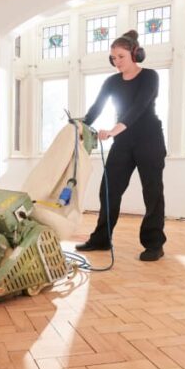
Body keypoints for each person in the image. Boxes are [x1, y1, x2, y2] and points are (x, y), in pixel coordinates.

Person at [76, 30, 167, 261]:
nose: (116, 62)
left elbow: (138, 108)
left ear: (135, 54)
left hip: (149, 140)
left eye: (121, 56)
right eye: (113, 58)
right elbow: (95, 110)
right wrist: (80, 125)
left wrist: (114, 129)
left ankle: (154, 244)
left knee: (152, 193)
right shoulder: (111, 82)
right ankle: (101, 239)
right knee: (108, 189)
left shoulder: (150, 77)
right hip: (124, 143)